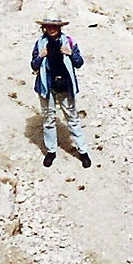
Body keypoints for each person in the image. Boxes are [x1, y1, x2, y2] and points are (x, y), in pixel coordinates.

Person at [31, 14, 91, 169]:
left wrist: (70, 54)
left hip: (65, 85)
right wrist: (41, 56)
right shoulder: (40, 44)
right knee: (48, 118)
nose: (52, 29)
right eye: (49, 26)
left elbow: (79, 63)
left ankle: (82, 151)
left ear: (59, 27)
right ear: (44, 27)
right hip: (47, 85)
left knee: (72, 117)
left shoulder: (69, 42)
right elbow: (34, 65)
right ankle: (51, 151)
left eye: (55, 26)